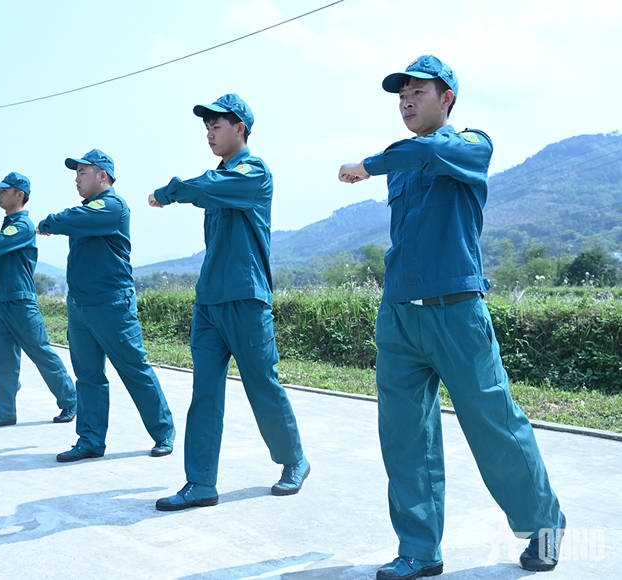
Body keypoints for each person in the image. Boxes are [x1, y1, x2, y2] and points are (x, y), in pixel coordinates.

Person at [338, 55, 565, 579]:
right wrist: (382, 164)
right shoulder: (402, 161)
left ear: (447, 99)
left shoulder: (470, 144)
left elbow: (428, 151)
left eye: (417, 92)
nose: (406, 102)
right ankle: (419, 550)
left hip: (457, 312)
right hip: (399, 314)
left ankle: (544, 528)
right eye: (401, 96)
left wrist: (367, 165)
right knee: (404, 437)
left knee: (494, 426)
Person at [148, 94, 309, 511]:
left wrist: (170, 191)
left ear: (240, 129)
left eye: (216, 126)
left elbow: (206, 187)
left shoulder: (253, 172)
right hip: (209, 301)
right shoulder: (218, 177)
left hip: (246, 297)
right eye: (206, 127)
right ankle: (200, 483)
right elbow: (207, 189)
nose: (209, 133)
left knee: (262, 385)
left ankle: (294, 460)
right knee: (204, 393)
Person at [36, 149, 176, 462]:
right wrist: (55, 223)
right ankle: (90, 441)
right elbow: (72, 220)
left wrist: (50, 222)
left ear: (102, 175)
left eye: (82, 172)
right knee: (88, 376)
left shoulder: (112, 206)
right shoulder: (88, 209)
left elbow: (70, 219)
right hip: (80, 305)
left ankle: (163, 432)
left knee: (134, 369)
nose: (76, 179)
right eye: (76, 173)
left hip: (112, 304)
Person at [0, 172, 77, 429]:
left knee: (41, 352)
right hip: (0, 302)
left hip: (20, 302)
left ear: (20, 195)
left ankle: (71, 400)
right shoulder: (8, 225)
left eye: (4, 190)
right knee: (2, 359)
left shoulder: (22, 226)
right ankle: (5, 412)